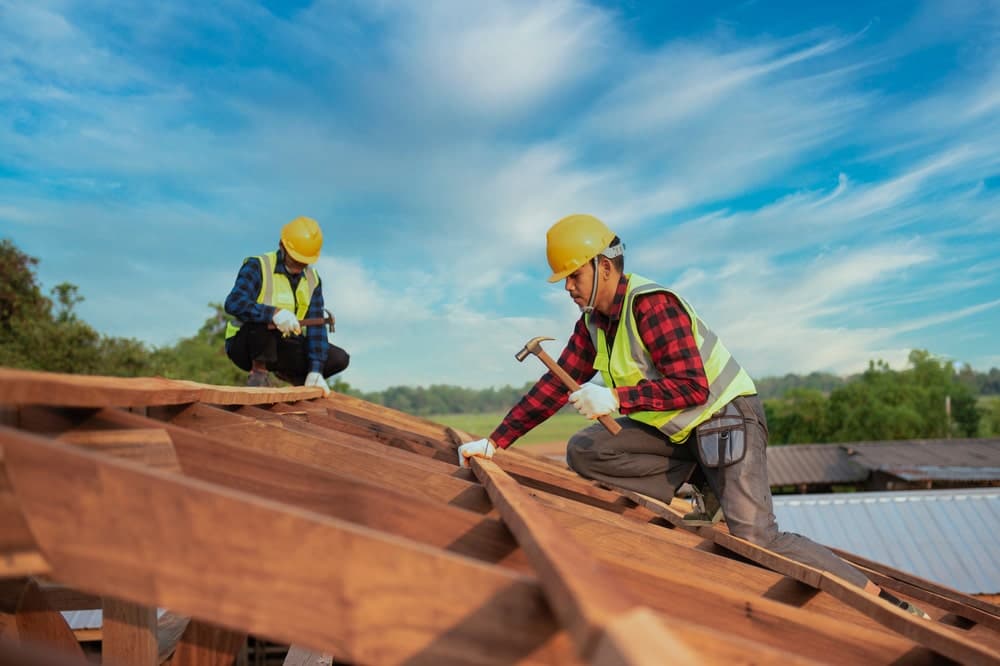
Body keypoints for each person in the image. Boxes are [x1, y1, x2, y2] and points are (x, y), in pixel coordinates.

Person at [457, 213, 928, 618]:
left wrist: (617, 399)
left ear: (603, 267)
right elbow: (552, 387)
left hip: (728, 421)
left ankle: (884, 600)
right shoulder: (593, 325)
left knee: (758, 539)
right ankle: (704, 482)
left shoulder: (651, 305)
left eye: (573, 276)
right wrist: (496, 442)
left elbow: (693, 387)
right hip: (687, 436)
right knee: (587, 449)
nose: (568, 289)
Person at [224, 216, 349, 395]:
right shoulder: (258, 266)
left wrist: (316, 370)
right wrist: (273, 313)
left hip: (282, 346)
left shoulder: (312, 279)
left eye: (304, 261)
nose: (299, 265)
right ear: (282, 246)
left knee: (338, 358)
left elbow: (316, 327)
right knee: (261, 324)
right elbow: (234, 303)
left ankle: (299, 379)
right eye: (295, 259)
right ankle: (258, 376)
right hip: (247, 346)